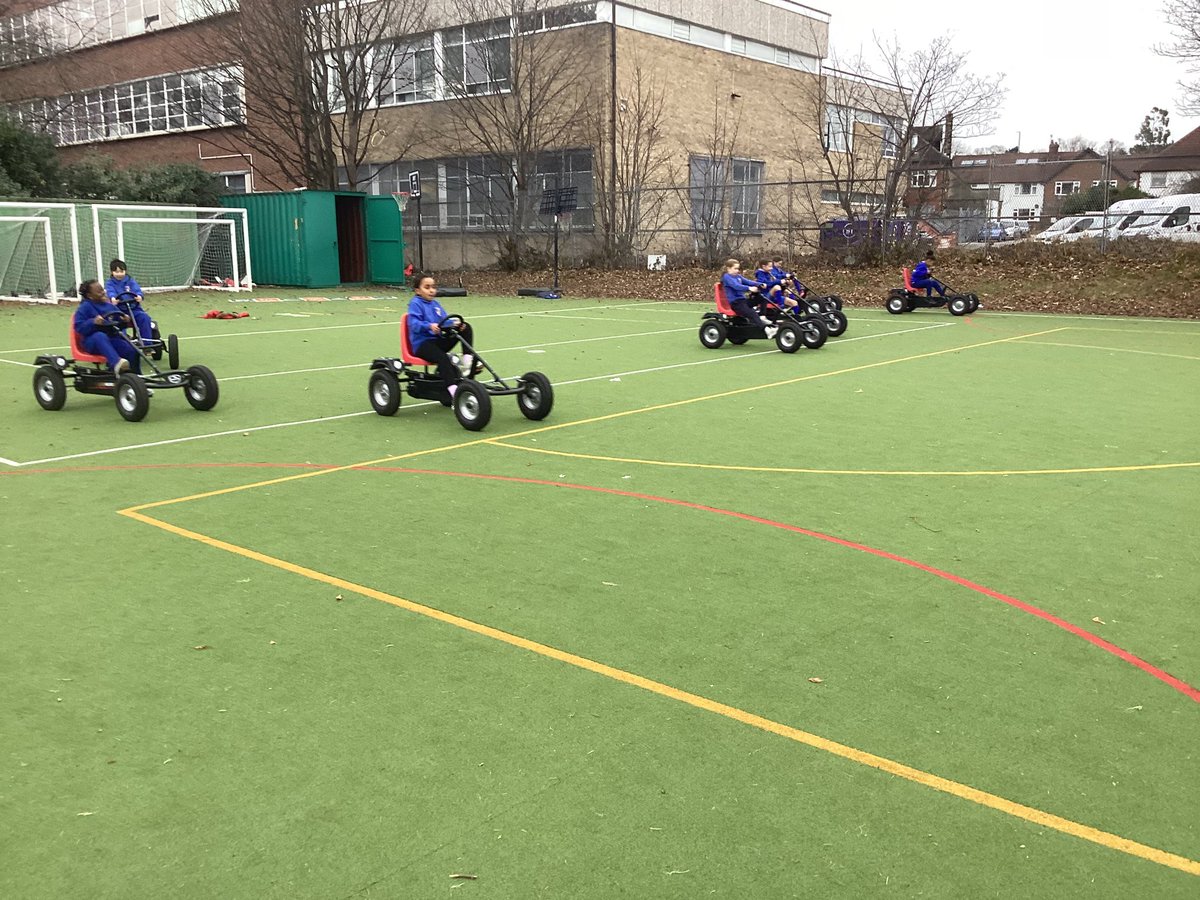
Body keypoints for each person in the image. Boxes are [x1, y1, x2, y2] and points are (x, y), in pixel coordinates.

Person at [407, 273, 478, 399]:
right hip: (423, 345)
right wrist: (429, 326)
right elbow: (413, 324)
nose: (431, 290)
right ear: (418, 290)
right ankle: (453, 390)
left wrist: (455, 324)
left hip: (437, 341)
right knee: (443, 358)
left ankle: (467, 362)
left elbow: (444, 320)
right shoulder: (415, 304)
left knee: (466, 328)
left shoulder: (435, 304)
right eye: (427, 287)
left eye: (433, 287)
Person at [73, 279, 140, 375]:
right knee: (99, 335)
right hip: (92, 342)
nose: (103, 293)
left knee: (131, 349)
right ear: (89, 296)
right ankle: (115, 363)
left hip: (111, 339)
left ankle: (137, 377)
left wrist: (124, 320)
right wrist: (93, 322)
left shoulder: (109, 306)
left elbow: (118, 324)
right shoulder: (85, 307)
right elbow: (79, 327)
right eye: (99, 292)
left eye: (102, 290)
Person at [720, 260, 777, 337]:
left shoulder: (738, 276)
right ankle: (767, 330)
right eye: (735, 268)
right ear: (728, 268)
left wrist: (759, 284)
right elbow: (736, 286)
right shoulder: (726, 277)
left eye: (738, 269)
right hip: (736, 303)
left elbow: (748, 282)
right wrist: (749, 288)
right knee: (752, 313)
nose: (737, 270)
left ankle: (762, 316)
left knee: (762, 297)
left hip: (743, 301)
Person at [105, 259, 154, 343]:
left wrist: (139, 296)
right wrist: (113, 298)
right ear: (112, 272)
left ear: (125, 271)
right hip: (119, 310)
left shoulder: (130, 281)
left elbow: (137, 289)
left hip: (134, 308)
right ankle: (124, 342)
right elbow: (111, 291)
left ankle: (147, 342)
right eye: (116, 272)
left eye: (121, 271)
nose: (119, 274)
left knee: (144, 318)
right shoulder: (110, 283)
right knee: (118, 321)